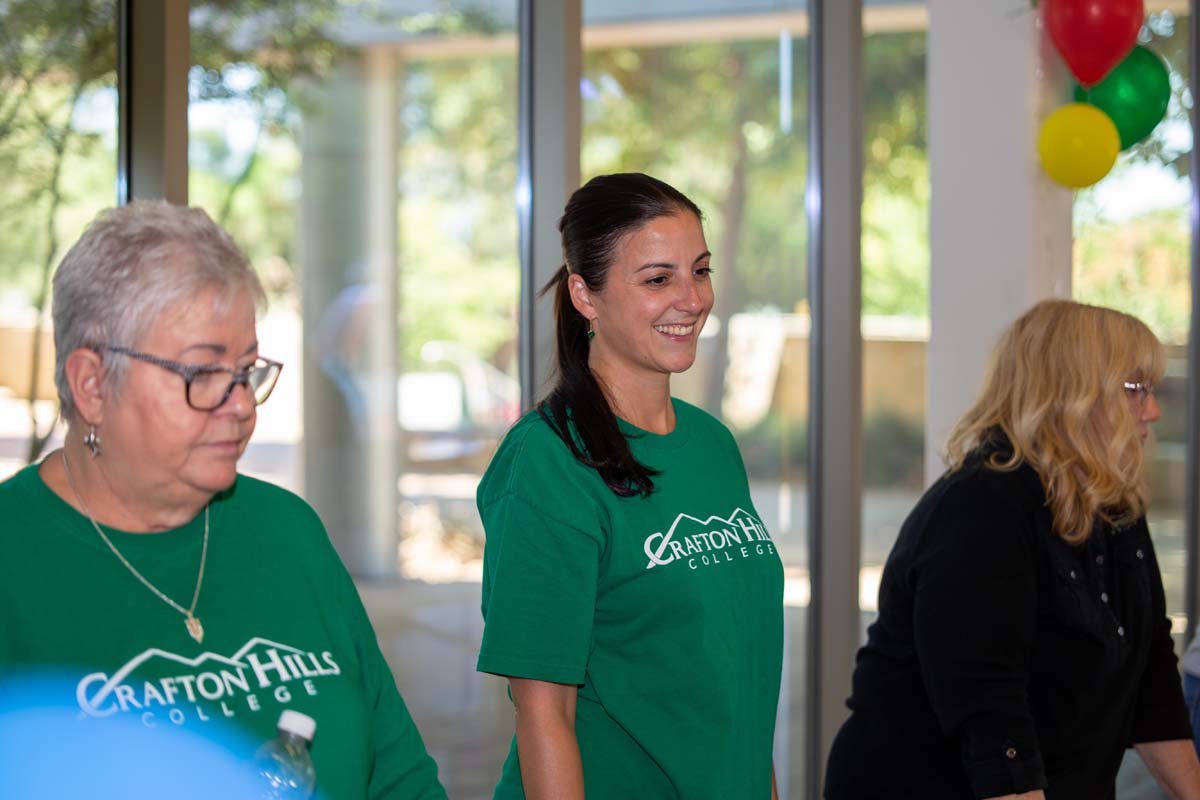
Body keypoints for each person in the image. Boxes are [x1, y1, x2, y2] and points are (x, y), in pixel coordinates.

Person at [0, 201, 446, 799]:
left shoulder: (288, 530)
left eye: (247, 371)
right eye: (204, 375)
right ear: (92, 384)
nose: (241, 405)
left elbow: (398, 776)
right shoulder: (15, 558)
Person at [475, 172, 784, 799]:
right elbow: (544, 713)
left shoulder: (712, 445)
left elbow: (736, 692)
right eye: (657, 278)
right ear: (586, 295)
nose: (692, 299)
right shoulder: (548, 460)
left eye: (700, 270)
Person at [824, 300, 1200, 799]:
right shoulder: (979, 509)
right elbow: (993, 724)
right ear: (1072, 394)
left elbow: (1152, 674)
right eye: (1135, 390)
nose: (1151, 410)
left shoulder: (1115, 504)